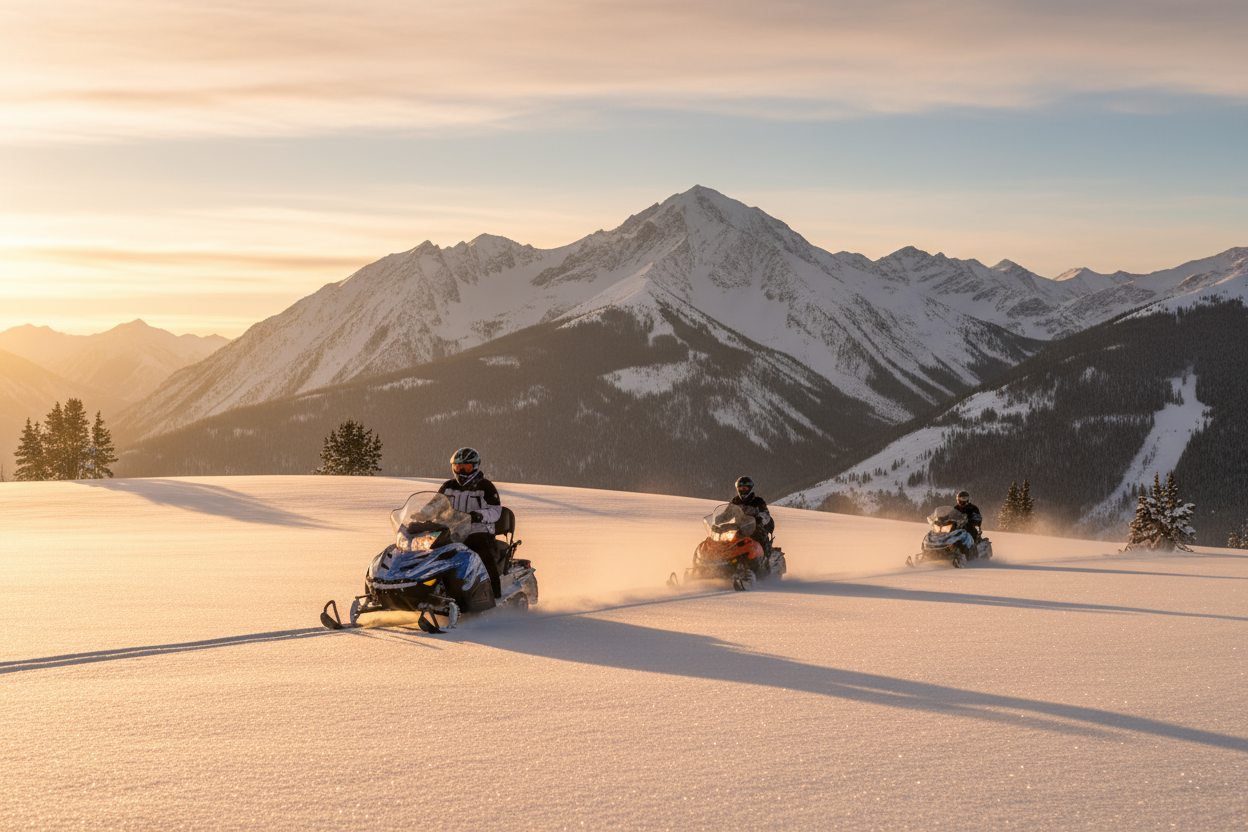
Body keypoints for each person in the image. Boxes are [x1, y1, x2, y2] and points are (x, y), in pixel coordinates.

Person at [438, 447, 505, 598]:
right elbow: (436, 504)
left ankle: (494, 592)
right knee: (429, 551)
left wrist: (479, 515)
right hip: (452, 529)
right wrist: (423, 514)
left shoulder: (485, 486)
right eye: (458, 467)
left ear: (474, 467)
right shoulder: (448, 487)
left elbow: (496, 510)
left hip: (478, 529)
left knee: (482, 554)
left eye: (466, 468)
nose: (461, 472)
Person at [730, 476, 774, 572]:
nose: (742, 490)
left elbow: (766, 515)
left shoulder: (758, 501)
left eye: (745, 488)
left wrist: (759, 518)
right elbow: (727, 513)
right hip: (739, 529)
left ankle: (766, 560)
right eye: (740, 488)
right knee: (727, 544)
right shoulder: (735, 501)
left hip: (755, 528)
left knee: (761, 537)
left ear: (750, 488)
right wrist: (718, 520)